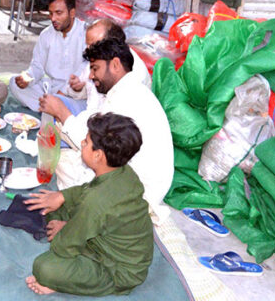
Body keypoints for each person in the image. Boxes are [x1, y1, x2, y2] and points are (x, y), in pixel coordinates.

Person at [39, 38, 174, 223]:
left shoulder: (128, 99)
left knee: (64, 164)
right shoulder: (124, 91)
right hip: (130, 177)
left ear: (116, 64)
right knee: (67, 158)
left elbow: (98, 149)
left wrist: (62, 113)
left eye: (95, 69)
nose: (91, 76)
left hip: (139, 193)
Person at [24, 113, 153, 296]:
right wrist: (61, 196)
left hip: (118, 270)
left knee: (44, 267)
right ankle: (76, 237)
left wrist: (66, 230)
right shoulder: (124, 171)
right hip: (107, 236)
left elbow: (64, 247)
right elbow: (87, 190)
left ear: (98, 155)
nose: (82, 144)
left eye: (86, 142)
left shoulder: (96, 201)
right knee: (58, 204)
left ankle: (64, 283)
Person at [9, 0, 86, 112]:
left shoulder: (85, 33)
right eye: (50, 13)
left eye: (58, 13)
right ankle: (53, 109)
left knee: (86, 97)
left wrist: (65, 91)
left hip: (74, 91)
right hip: (51, 87)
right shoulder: (46, 34)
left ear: (72, 13)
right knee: (13, 83)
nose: (53, 18)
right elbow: (37, 66)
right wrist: (27, 78)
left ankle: (50, 108)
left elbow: (86, 70)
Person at [61, 18, 150, 115]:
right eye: (87, 45)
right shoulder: (98, 59)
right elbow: (90, 91)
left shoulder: (133, 72)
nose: (88, 50)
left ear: (111, 43)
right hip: (94, 115)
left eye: (93, 45)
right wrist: (78, 89)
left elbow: (114, 120)